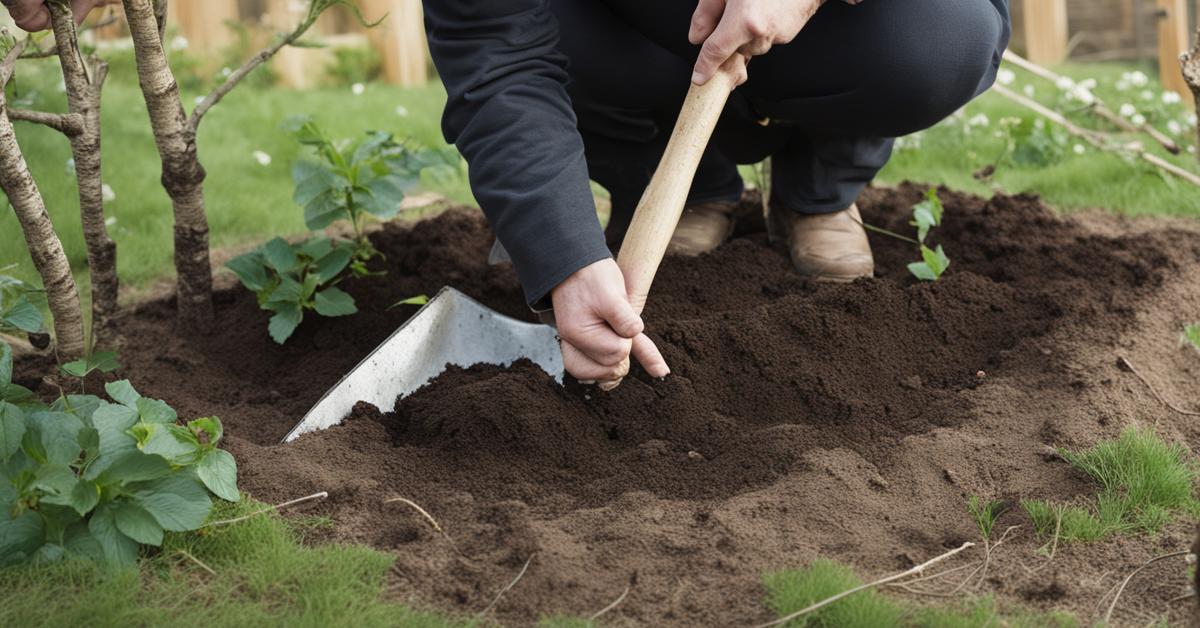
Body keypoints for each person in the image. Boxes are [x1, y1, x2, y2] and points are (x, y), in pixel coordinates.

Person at [5, 0, 1011, 386]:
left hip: (842, 20)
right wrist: (567, 260)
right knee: (542, 56)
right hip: (629, 26)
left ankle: (818, 188)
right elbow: (496, 59)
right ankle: (692, 186)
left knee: (941, 39)